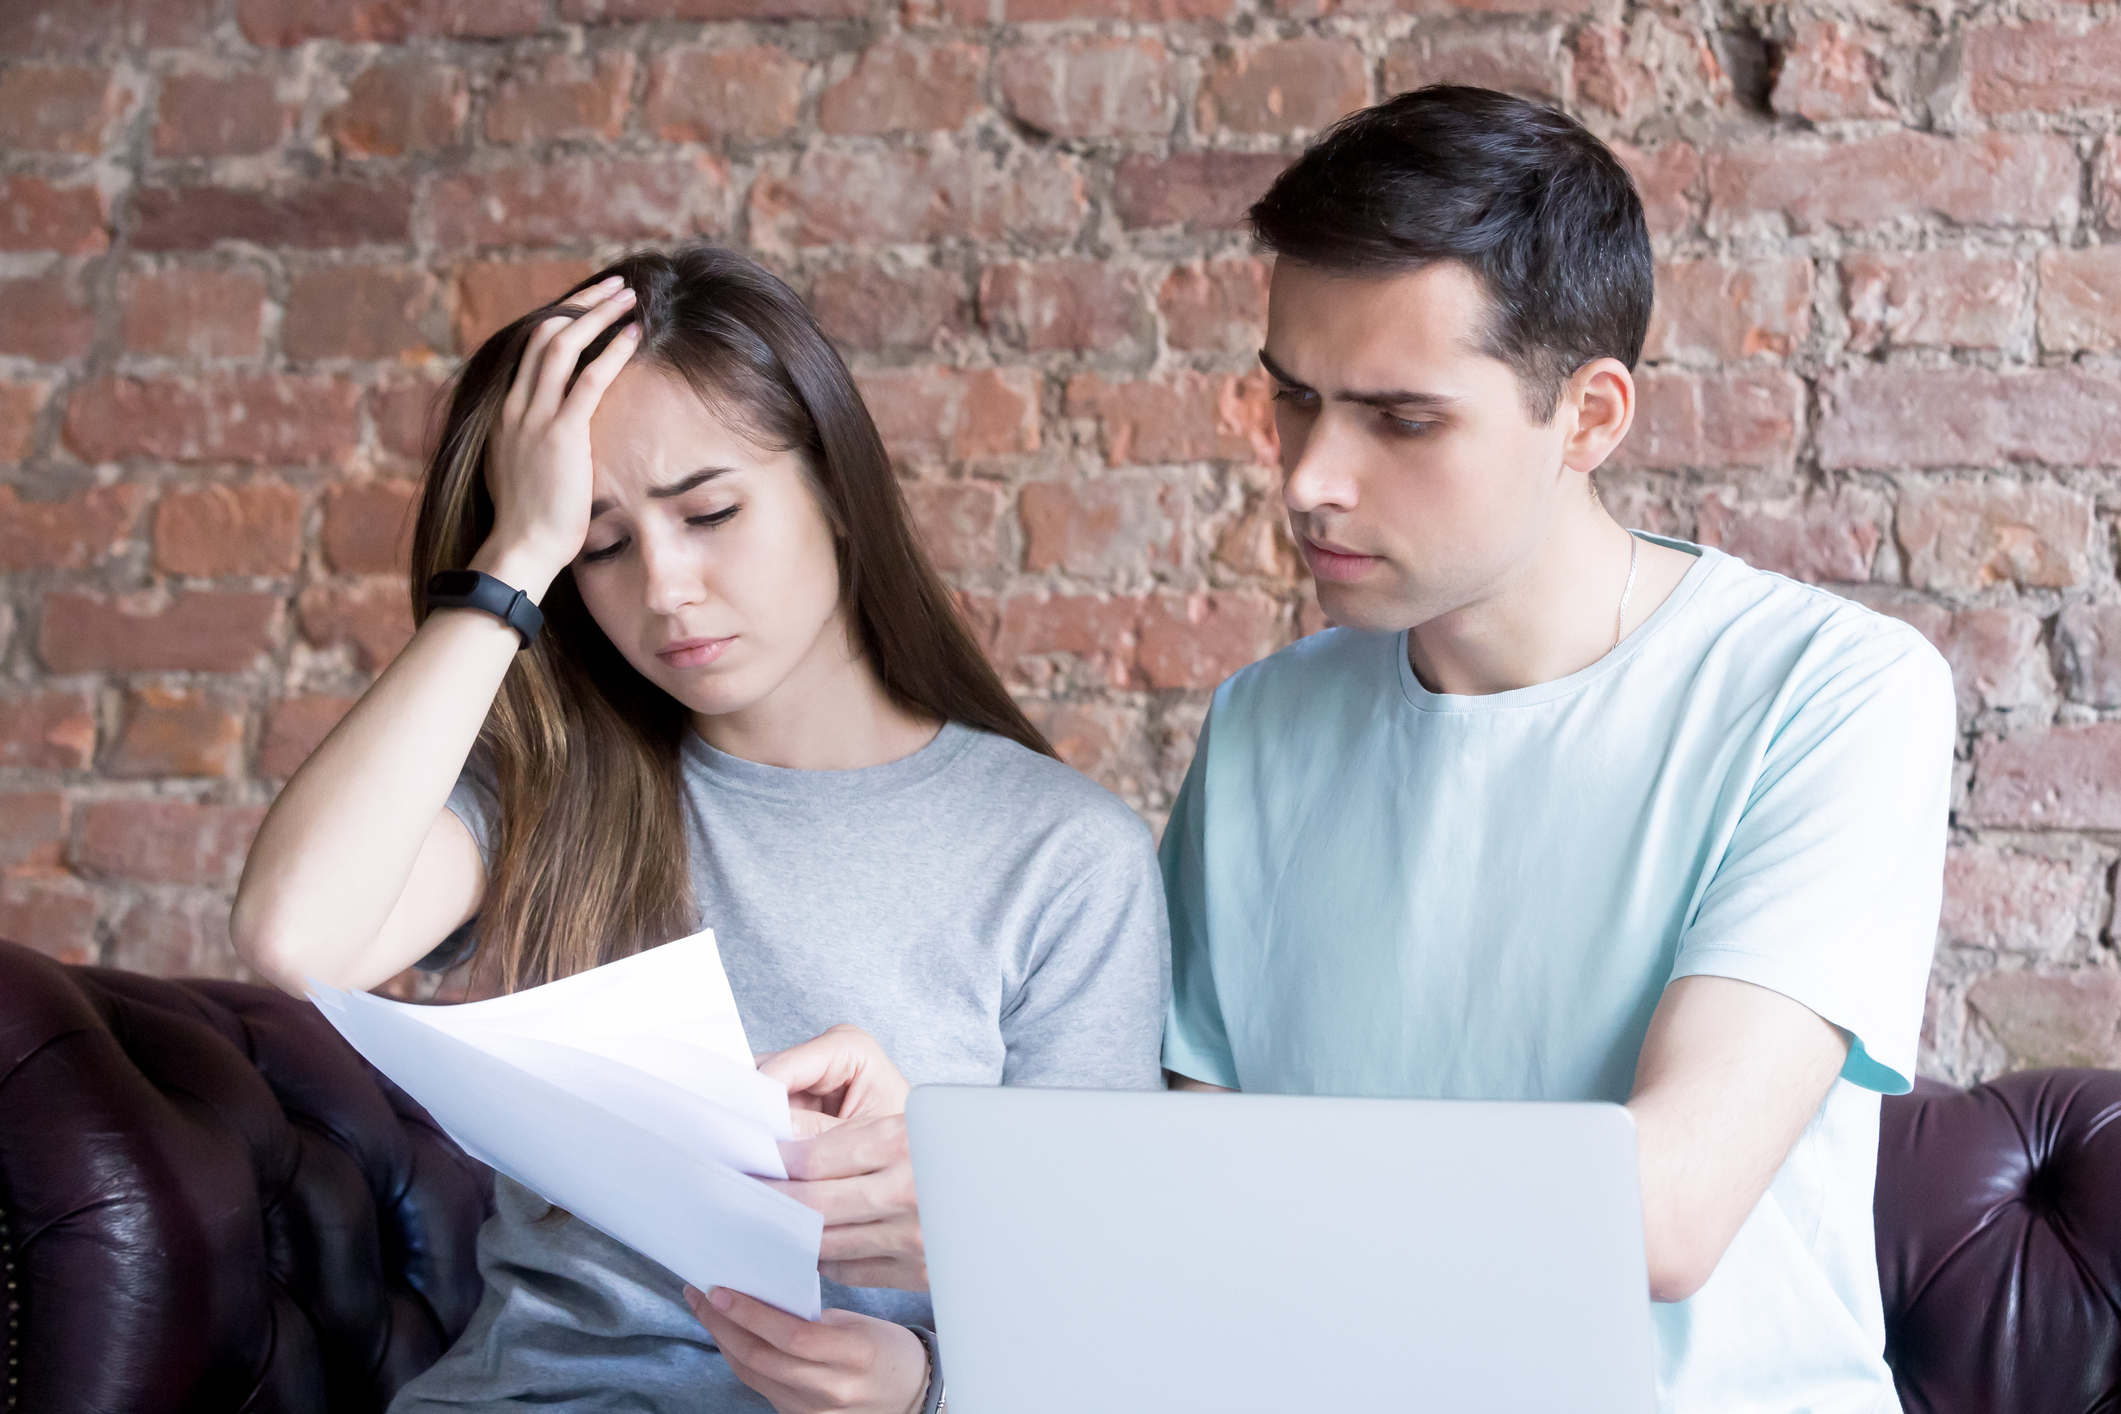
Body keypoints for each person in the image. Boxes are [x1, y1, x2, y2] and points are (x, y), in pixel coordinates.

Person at [231, 243, 1168, 1414]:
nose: (665, 587)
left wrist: (925, 1388)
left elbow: (1096, 1304)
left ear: (832, 484)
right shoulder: (553, 791)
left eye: (710, 511)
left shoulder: (1062, 856)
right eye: (604, 543)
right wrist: (516, 557)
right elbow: (295, 938)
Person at [1160, 87, 1953, 1412]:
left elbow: (1663, 1208)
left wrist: (1194, 1179)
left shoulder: (1831, 694)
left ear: (1589, 417)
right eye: (1294, 399)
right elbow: (1181, 1190)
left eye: (1399, 418)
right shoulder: (1261, 724)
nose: (1307, 476)